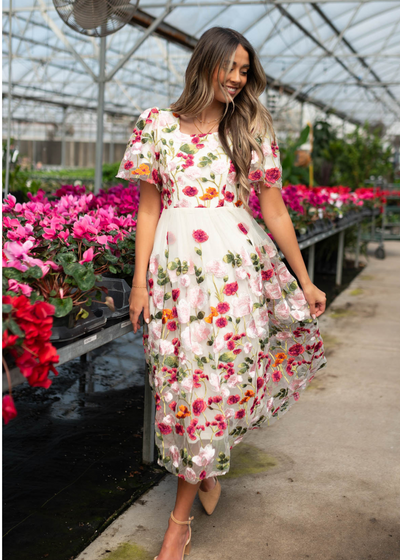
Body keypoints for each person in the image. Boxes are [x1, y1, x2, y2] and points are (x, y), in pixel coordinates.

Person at [116, 26, 327, 560]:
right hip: (174, 279)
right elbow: (148, 208)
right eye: (230, 66)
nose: (237, 78)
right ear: (205, 61)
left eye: (244, 70)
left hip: (233, 276)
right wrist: (139, 283)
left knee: (211, 385)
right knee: (182, 387)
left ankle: (177, 524)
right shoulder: (157, 126)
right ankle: (206, 468)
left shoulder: (249, 125)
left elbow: (273, 209)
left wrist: (304, 279)